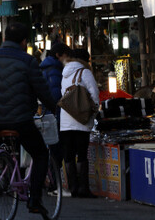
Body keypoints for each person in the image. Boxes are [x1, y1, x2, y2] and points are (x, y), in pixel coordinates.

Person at [0, 22, 56, 218]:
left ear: (4, 38)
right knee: (41, 154)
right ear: (24, 41)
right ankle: (35, 199)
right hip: (20, 120)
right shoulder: (27, 61)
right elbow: (41, 90)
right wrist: (54, 107)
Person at [60, 48, 99, 198]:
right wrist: (93, 114)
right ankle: (83, 188)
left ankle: (73, 188)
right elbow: (95, 94)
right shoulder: (85, 72)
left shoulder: (64, 73)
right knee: (81, 154)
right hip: (81, 120)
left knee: (68, 155)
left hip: (65, 120)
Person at [40, 42, 71, 169]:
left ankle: (55, 180)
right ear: (58, 55)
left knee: (52, 150)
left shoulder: (45, 67)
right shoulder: (54, 70)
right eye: (66, 56)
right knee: (57, 150)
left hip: (47, 114)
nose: (68, 59)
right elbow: (56, 95)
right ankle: (57, 180)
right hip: (55, 116)